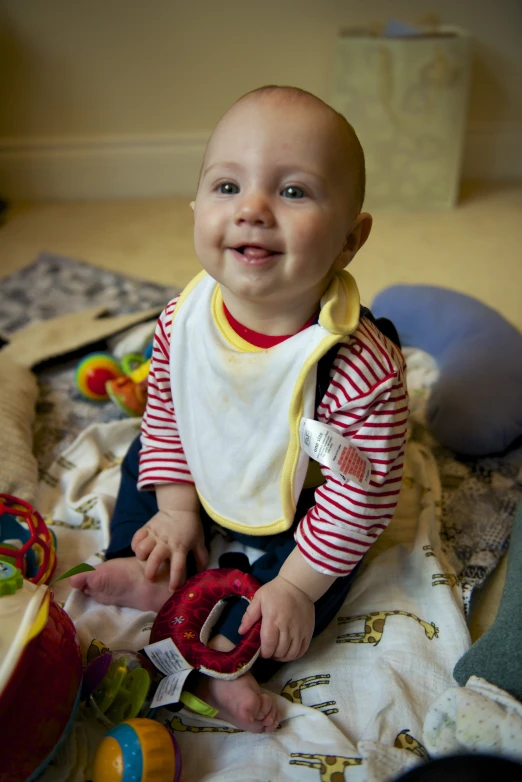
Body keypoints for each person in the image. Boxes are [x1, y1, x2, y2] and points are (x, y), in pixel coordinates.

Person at [70, 85, 408, 734]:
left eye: (293, 192)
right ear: (196, 207)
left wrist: (297, 587)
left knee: (302, 595)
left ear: (349, 239)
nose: (252, 209)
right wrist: (175, 511)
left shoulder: (357, 368)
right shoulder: (184, 321)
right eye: (228, 187)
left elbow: (359, 497)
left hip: (302, 494)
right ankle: (150, 569)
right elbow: (167, 414)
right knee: (147, 459)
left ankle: (226, 653)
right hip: (206, 458)